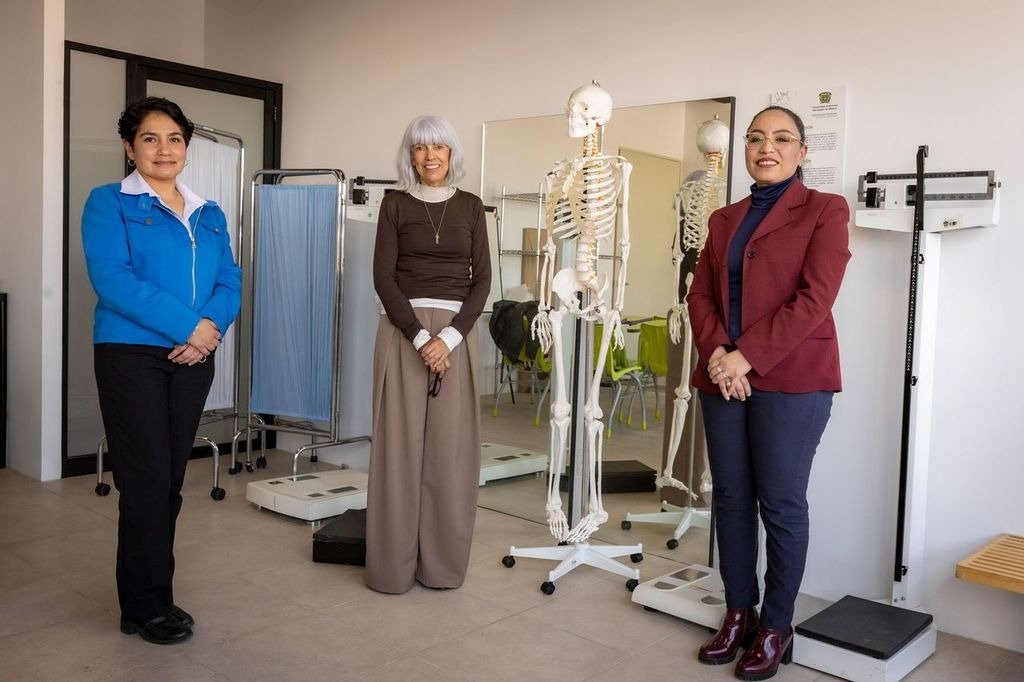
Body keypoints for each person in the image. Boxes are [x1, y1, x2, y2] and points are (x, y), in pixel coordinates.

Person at [687, 105, 851, 680]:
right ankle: (739, 612)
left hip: (793, 378)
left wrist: (745, 356)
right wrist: (718, 355)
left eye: (782, 139)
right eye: (756, 138)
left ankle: (777, 626)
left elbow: (815, 298)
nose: (766, 148)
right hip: (721, 377)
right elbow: (700, 296)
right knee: (732, 498)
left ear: (802, 152)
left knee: (780, 503)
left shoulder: (826, 210)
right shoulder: (723, 219)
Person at [81, 96, 242, 645]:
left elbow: (229, 279)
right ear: (130, 148)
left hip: (194, 357)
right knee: (146, 480)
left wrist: (209, 329)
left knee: (169, 479)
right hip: (132, 355)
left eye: (175, 139)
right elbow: (114, 280)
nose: (164, 149)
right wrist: (189, 327)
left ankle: (153, 596)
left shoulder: (209, 212)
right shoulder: (109, 203)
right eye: (150, 138)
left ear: (186, 148)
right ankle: (144, 607)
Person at [365, 115, 491, 594]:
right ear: (410, 156)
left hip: (457, 335)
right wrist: (420, 338)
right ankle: (391, 571)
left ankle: (441, 569)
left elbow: (483, 281)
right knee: (397, 452)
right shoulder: (394, 204)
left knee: (449, 454)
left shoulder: (472, 207)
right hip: (404, 331)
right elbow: (383, 277)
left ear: (451, 153)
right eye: (420, 148)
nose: (430, 155)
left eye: (439, 146)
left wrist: (450, 338)